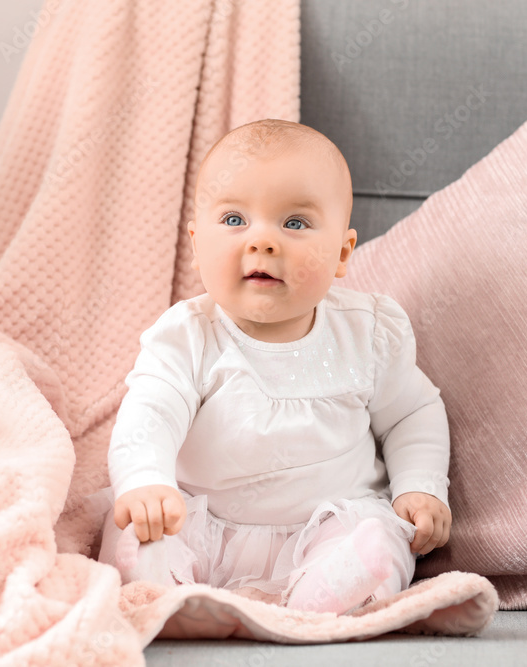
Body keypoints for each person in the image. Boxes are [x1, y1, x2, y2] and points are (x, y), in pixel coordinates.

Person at [98, 118, 452, 614]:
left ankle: (329, 591)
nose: (262, 241)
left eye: (294, 224)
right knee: (141, 532)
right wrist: (146, 481)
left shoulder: (367, 334)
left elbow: (413, 413)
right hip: (203, 524)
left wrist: (420, 485)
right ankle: (165, 592)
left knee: (377, 538)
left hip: (324, 529)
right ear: (197, 246)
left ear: (342, 254)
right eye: (235, 220)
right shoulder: (189, 336)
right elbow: (150, 413)